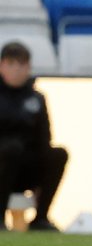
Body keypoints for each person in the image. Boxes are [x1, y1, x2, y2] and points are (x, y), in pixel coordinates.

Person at [0, 40, 69, 232]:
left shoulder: (36, 98)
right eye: (12, 64)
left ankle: (40, 218)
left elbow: (44, 138)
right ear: (2, 66)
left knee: (58, 154)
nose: (18, 70)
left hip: (26, 168)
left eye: (23, 65)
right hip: (2, 165)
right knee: (11, 149)